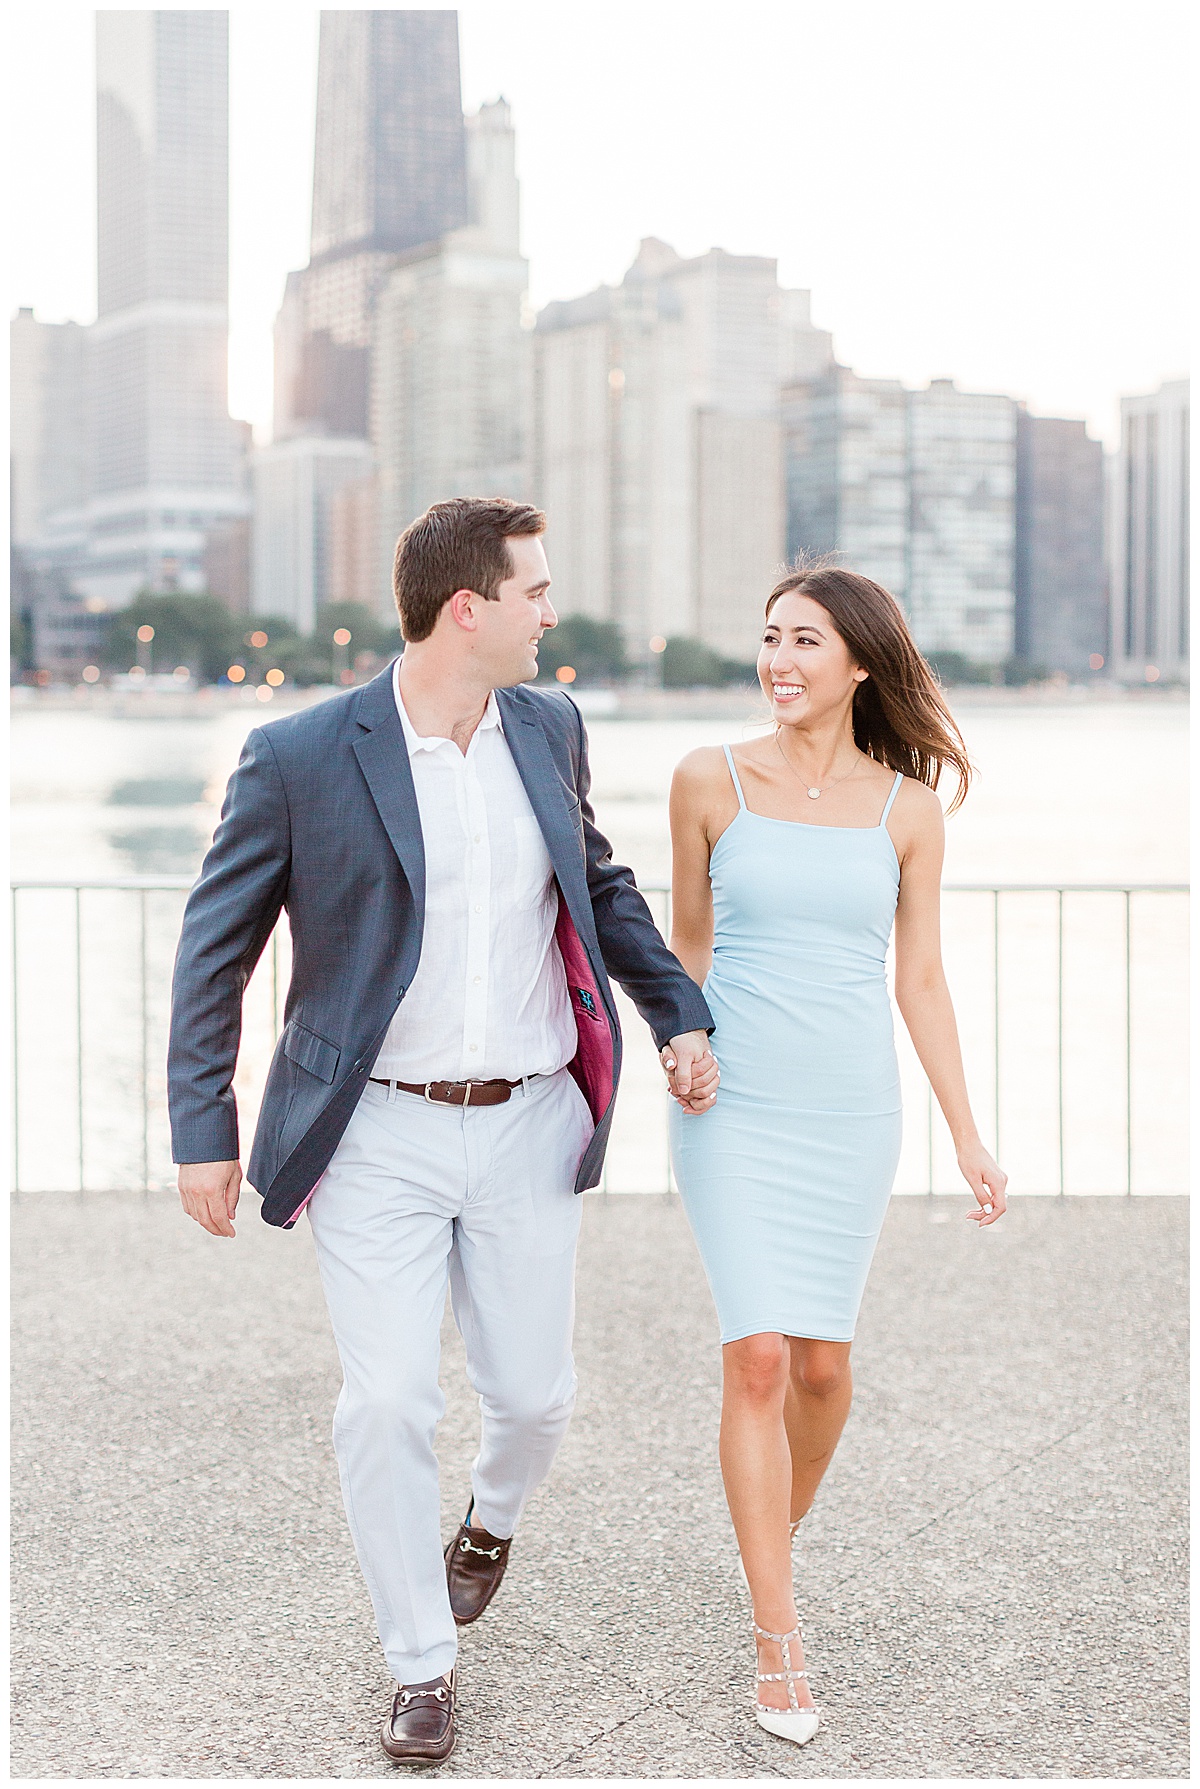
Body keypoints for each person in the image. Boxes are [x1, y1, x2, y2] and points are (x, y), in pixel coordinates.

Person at [168, 498, 717, 1765]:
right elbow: (216, 949)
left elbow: (601, 884)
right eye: (534, 590)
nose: (549, 612)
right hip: (374, 1138)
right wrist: (206, 1121)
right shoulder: (300, 754)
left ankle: (490, 1520)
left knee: (532, 1399)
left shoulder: (549, 724)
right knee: (388, 1403)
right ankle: (420, 1662)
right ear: (467, 608)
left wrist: (679, 1009)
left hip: (529, 1121)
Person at [665, 561, 1007, 1748]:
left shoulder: (908, 808)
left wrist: (969, 1133)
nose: (780, 662)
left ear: (859, 662)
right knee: (757, 1357)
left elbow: (920, 978)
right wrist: (681, 1040)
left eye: (806, 641)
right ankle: (777, 1634)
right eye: (769, 638)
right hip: (736, 1105)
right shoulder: (709, 780)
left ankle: (772, 1537)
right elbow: (687, 948)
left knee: (820, 1369)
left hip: (849, 1113)